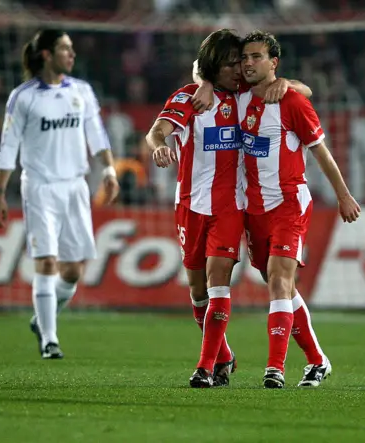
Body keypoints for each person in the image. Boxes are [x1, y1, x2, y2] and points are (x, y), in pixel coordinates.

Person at [146, 29, 312, 388]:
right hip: (191, 204)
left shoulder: (246, 98)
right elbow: (156, 131)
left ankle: (205, 368)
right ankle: (224, 357)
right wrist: (159, 146)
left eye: (242, 62)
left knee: (218, 280)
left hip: (232, 207)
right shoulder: (192, 97)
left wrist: (283, 82)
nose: (240, 69)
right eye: (231, 64)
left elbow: (304, 91)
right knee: (197, 293)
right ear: (213, 67)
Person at [239, 30, 360, 388]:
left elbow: (321, 152)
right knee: (282, 288)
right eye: (245, 57)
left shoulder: (292, 102)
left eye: (256, 57)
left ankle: (274, 368)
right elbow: (205, 76)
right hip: (253, 209)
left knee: (279, 280)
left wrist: (343, 196)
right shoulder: (236, 99)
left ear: (273, 63)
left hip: (290, 204)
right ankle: (317, 360)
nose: (248, 63)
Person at [0, 29, 119, 359]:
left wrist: (108, 170)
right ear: (46, 54)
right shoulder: (24, 97)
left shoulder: (82, 91)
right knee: (46, 261)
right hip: (40, 187)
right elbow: (9, 147)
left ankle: (41, 319)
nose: (71, 54)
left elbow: (97, 134)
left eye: (72, 49)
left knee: (73, 271)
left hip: (76, 186)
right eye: (64, 48)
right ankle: (50, 339)